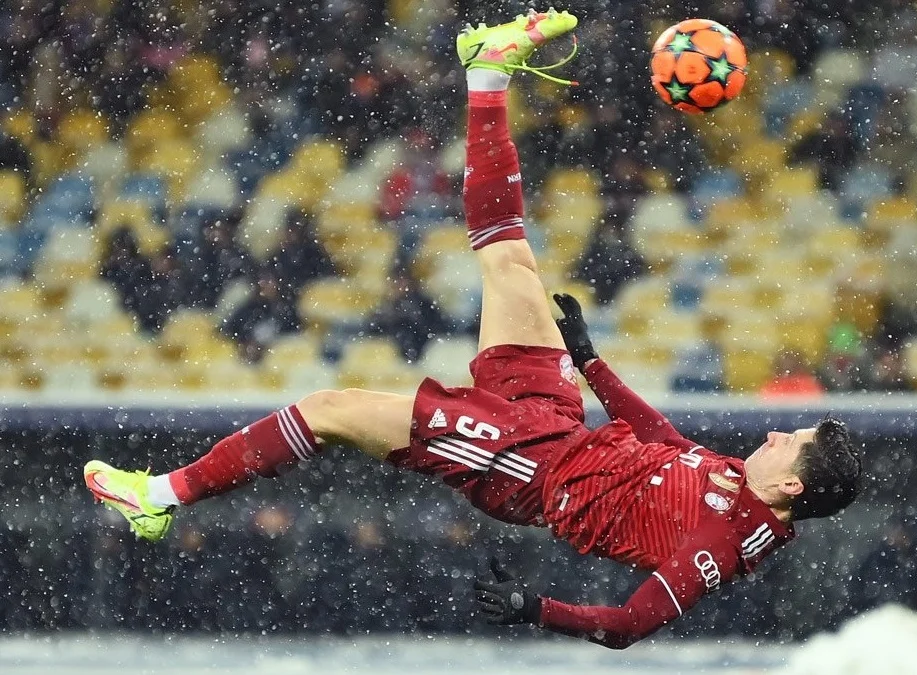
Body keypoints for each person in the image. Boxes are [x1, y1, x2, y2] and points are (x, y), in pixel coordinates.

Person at [82, 9, 862, 650]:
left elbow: (629, 624)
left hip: (528, 466)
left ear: (791, 484)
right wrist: (591, 362)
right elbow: (662, 436)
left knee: (330, 408)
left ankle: (159, 496)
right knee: (509, 260)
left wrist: (536, 609)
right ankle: (487, 70)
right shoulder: (740, 481)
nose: (774, 434)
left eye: (788, 441)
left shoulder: (722, 546)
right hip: (560, 427)